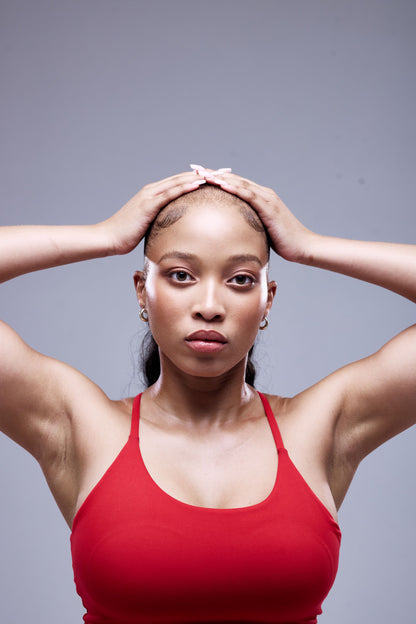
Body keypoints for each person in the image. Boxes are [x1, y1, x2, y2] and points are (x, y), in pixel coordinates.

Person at [0, 164, 415, 624]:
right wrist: (107, 237)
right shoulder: (79, 425)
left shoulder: (319, 427)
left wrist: (309, 247)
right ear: (142, 291)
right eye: (180, 275)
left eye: (240, 279)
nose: (210, 306)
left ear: (267, 302)